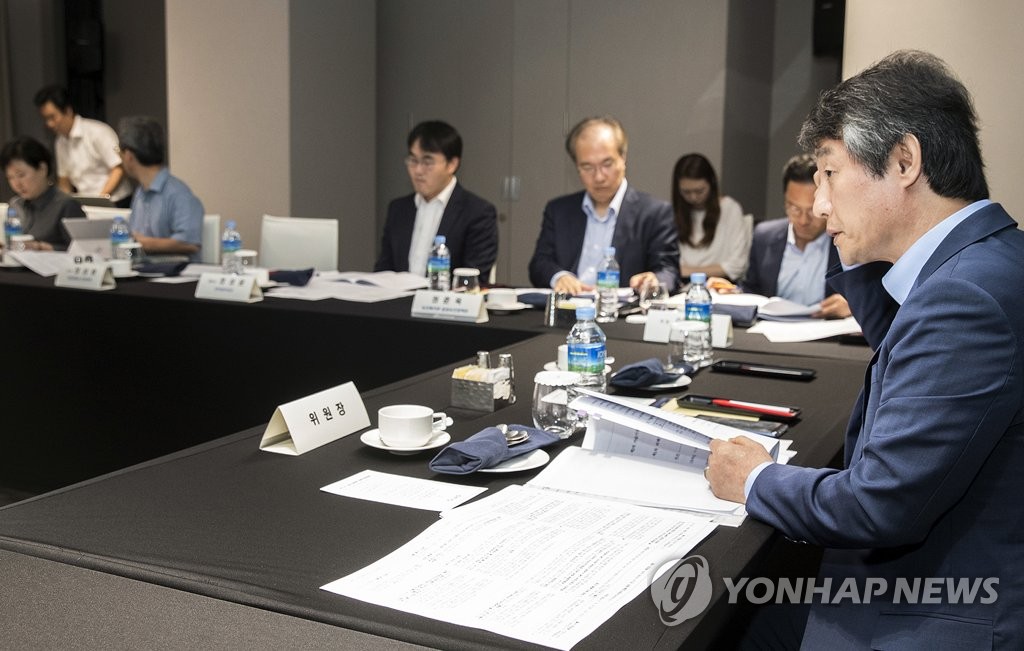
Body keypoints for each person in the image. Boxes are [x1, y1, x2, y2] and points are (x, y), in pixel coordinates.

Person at [706, 50, 1024, 648]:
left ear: (904, 161)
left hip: (944, 608)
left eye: (829, 173)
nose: (819, 204)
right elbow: (898, 346)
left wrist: (755, 478)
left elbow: (878, 505)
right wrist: (859, 245)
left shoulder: (966, 298)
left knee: (712, 621)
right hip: (932, 573)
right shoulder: (983, 261)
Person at [528, 116, 679, 295]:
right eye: (587, 167)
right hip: (569, 306)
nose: (599, 177)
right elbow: (539, 263)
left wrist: (653, 280)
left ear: (623, 158)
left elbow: (669, 271)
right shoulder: (559, 210)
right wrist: (559, 277)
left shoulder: (655, 212)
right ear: (576, 167)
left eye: (607, 164)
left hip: (620, 309)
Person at [374, 121, 498, 279]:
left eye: (427, 162)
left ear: (452, 164)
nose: (418, 170)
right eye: (413, 160)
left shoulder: (477, 212)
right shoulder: (398, 209)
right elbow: (384, 270)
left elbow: (473, 278)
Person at [742, 154, 850, 318]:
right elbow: (751, 290)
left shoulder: (848, 240)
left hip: (827, 329)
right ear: (785, 202)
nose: (803, 220)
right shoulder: (763, 236)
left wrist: (851, 305)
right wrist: (732, 293)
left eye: (811, 210)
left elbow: (870, 292)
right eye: (795, 209)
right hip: (772, 329)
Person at [116, 117, 204, 261]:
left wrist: (142, 243)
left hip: (176, 271)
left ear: (129, 156)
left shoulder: (178, 193)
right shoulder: (140, 192)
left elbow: (190, 242)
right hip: (145, 267)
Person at [33, 85, 132, 207]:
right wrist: (62, 204)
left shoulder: (97, 131)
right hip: (86, 203)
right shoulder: (60, 142)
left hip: (115, 201)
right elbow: (64, 180)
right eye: (46, 119)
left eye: (52, 117)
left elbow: (118, 168)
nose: (49, 124)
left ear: (68, 111)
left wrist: (100, 198)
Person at [673, 153, 750, 282]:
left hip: (720, 285)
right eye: (686, 192)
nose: (693, 197)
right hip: (681, 286)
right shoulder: (672, 214)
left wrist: (686, 271)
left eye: (699, 191)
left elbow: (737, 265)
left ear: (711, 184)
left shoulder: (730, 209)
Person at [1, 136, 85, 250]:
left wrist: (41, 247)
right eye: (10, 178)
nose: (17, 184)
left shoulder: (66, 205)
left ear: (42, 169)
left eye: (21, 175)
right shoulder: (15, 205)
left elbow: (82, 251)